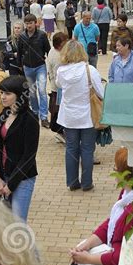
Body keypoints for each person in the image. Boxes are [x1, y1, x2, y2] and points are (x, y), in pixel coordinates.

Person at [56, 41, 104, 192]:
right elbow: (100, 92)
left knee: (71, 149)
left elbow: (58, 85)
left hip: (69, 116)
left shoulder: (61, 71)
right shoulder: (89, 70)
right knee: (87, 150)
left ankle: (72, 182)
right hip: (87, 116)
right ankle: (87, 183)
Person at [0, 75, 39, 221]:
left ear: (19, 95)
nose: (3, 97)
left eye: (7, 93)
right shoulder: (4, 114)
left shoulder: (30, 119)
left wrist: (11, 185)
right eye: (1, 93)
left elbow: (29, 156)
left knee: (18, 224)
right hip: (4, 175)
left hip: (23, 178)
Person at [16, 15, 51, 128]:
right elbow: (20, 52)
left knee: (41, 90)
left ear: (35, 23)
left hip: (40, 66)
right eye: (27, 23)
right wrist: (20, 65)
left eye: (31, 23)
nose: (29, 25)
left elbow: (48, 51)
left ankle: (44, 117)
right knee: (32, 92)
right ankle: (35, 113)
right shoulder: (22, 36)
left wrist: (50, 67)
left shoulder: (42, 35)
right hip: (27, 67)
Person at [46, 32, 68, 143]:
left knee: (58, 110)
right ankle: (60, 132)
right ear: (59, 45)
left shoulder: (53, 51)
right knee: (59, 110)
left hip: (57, 87)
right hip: (59, 88)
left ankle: (60, 131)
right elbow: (58, 76)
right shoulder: (58, 57)